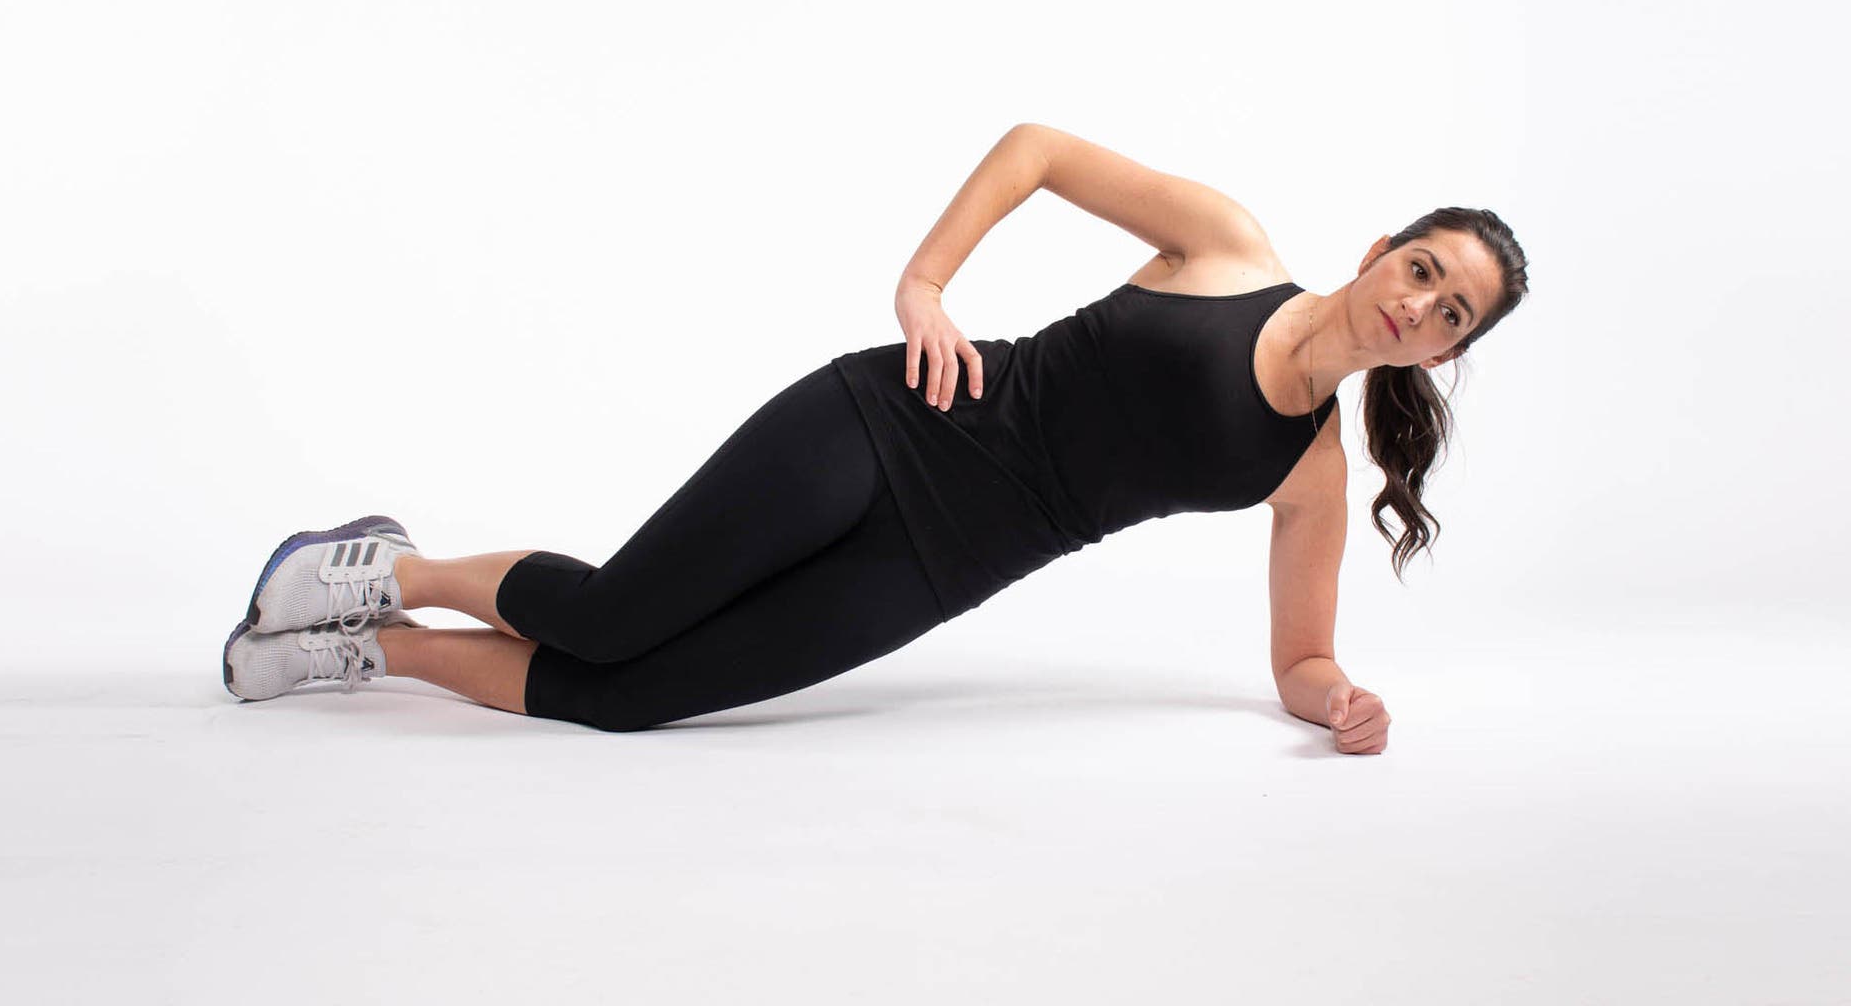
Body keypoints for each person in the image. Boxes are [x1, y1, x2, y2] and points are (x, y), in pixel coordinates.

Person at [221, 123, 1529, 754]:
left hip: (939, 567)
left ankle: (370, 650)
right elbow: (1036, 151)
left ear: (1447, 352)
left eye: (1448, 312)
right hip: (895, 419)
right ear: (1381, 252)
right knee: (617, 615)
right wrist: (925, 287)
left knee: (630, 700)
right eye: (1421, 269)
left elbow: (1301, 654)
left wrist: (1339, 705)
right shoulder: (1231, 247)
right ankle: (393, 568)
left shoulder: (1309, 470)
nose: (1416, 305)